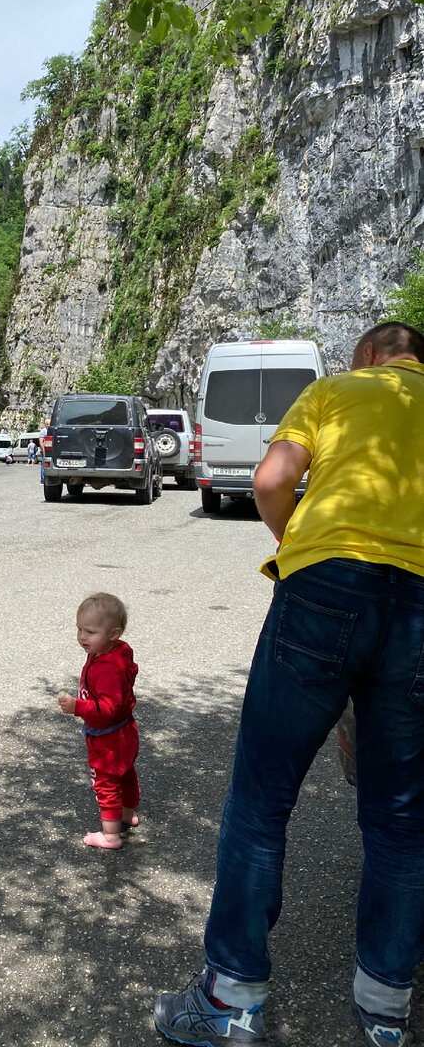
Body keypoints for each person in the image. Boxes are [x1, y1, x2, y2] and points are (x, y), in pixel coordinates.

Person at [154, 322, 424, 1047]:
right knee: (401, 820)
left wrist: (299, 547)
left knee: (262, 799)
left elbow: (272, 480)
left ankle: (229, 1004)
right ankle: (385, 1015)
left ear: (369, 354)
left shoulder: (336, 390)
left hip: (325, 586)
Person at [58, 592, 140, 849]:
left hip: (109, 737)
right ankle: (127, 814)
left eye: (90, 632)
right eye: (79, 629)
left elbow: (109, 708)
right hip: (126, 731)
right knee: (125, 773)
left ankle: (111, 836)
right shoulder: (117, 652)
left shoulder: (107, 668)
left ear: (114, 634)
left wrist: (77, 706)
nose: (82, 637)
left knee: (105, 781)